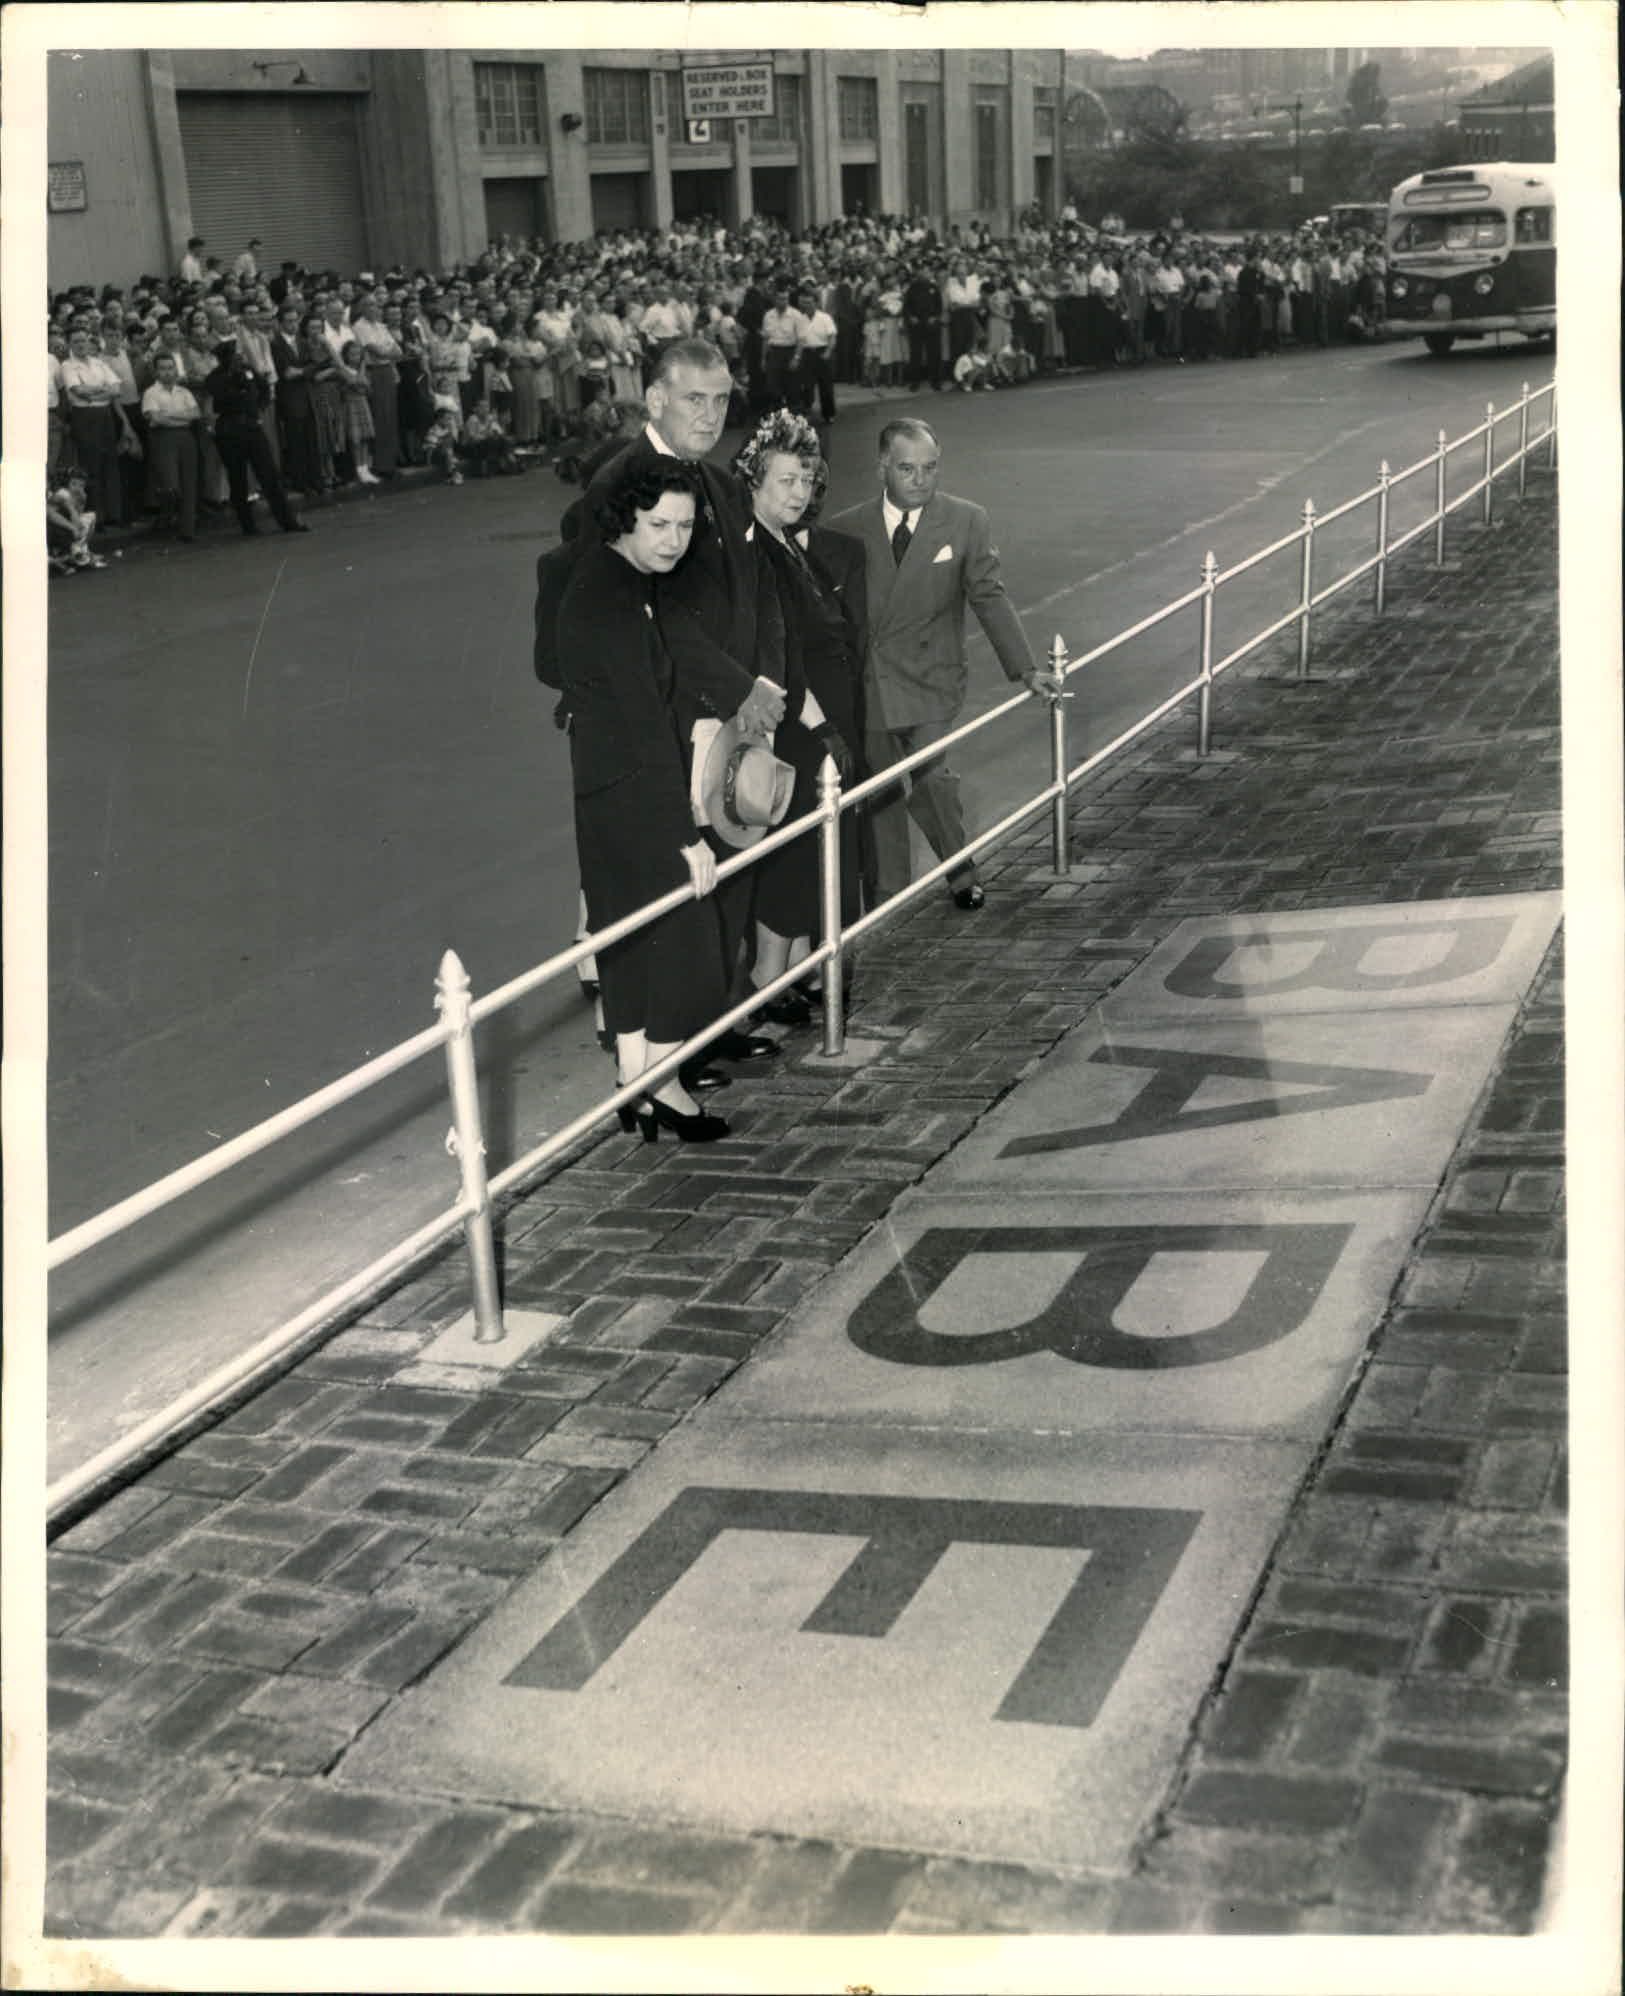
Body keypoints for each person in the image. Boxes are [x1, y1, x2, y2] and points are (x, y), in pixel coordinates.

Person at [547, 337, 786, 1066]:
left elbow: (750, 593)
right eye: (693, 399)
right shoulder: (616, 486)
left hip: (725, 711)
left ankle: (708, 1021)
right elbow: (638, 620)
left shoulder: (715, 479)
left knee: (723, 870)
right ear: (654, 399)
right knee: (666, 894)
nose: (710, 415)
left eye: (720, 400)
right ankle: (661, 1048)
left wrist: (760, 686)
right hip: (665, 721)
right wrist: (737, 688)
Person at [554, 455, 729, 1143]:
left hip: (600, 786)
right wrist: (682, 836)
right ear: (625, 516)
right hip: (634, 789)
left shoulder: (608, 577)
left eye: (685, 525)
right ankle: (665, 1081)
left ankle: (633, 1077)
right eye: (659, 523)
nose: (674, 539)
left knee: (626, 933)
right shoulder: (620, 594)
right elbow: (644, 720)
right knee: (684, 935)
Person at [834, 418, 1058, 910]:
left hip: (932, 679)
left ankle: (961, 871)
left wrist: (1024, 669)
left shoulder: (965, 520)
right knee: (881, 790)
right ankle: (887, 892)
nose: (921, 479)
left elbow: (988, 595)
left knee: (933, 778)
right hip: (870, 683)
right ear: (882, 469)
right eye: (907, 468)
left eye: (930, 468)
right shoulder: (846, 528)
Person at [730, 410, 862, 1024]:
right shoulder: (760, 553)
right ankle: (766, 978)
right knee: (790, 856)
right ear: (754, 479)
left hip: (816, 723)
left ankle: (793, 969)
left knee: (810, 853)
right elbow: (780, 660)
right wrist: (821, 726)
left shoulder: (788, 545)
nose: (798, 493)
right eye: (785, 480)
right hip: (799, 728)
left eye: (806, 481)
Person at [203, 339, 312, 535]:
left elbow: (264, 388)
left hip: (252, 426)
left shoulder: (248, 371)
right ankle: (248, 525)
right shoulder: (215, 378)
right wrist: (237, 381)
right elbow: (224, 396)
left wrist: (259, 407)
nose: (238, 357)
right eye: (232, 355)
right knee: (238, 480)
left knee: (269, 475)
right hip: (230, 428)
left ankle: (287, 521)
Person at [139, 349, 202, 541]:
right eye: (163, 369)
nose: (167, 372)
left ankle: (187, 531)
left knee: (189, 483)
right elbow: (156, 419)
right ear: (156, 372)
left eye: (170, 368)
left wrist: (169, 416)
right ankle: (165, 519)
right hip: (163, 440)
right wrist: (180, 417)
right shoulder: (151, 393)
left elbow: (195, 414)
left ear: (176, 370)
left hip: (186, 438)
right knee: (171, 485)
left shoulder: (184, 391)